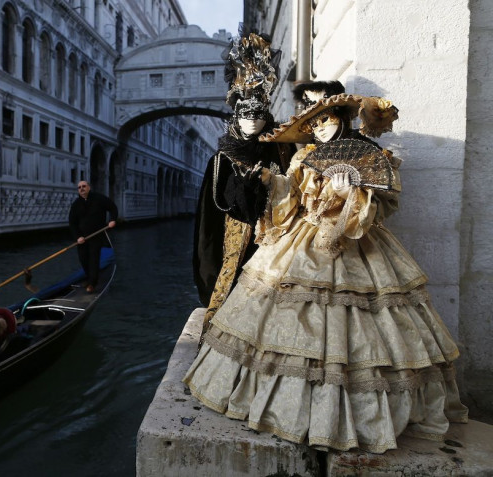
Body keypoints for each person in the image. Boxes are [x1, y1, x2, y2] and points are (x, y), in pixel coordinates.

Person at [183, 88, 468, 453]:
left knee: (360, 324)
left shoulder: (369, 154)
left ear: (343, 120)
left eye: (326, 120)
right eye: (313, 123)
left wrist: (352, 194)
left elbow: (382, 205)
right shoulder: (305, 156)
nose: (318, 128)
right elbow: (293, 198)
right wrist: (273, 183)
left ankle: (358, 415)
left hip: (356, 246)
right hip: (301, 242)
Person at [193, 31, 294, 343]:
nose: (252, 120)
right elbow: (208, 224)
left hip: (276, 246)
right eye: (245, 113)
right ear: (235, 113)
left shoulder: (283, 151)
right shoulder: (221, 160)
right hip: (235, 248)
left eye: (258, 114)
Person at [68, 180, 118, 292]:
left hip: (97, 235)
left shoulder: (99, 199)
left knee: (93, 259)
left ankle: (92, 284)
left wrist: (113, 220)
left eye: (84, 186)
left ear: (89, 187)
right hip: (82, 238)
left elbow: (112, 207)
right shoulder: (76, 204)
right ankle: (90, 278)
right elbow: (72, 223)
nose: (81, 188)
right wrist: (77, 237)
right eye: (79, 187)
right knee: (83, 259)